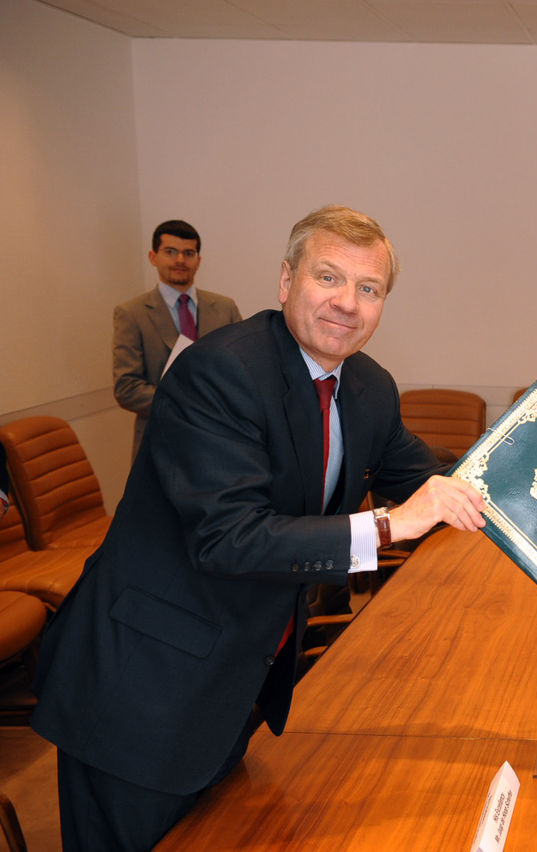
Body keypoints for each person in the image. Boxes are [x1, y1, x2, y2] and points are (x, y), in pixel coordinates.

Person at [32, 206, 487, 850]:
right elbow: (231, 538)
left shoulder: (367, 386)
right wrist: (389, 525)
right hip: (140, 689)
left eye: (369, 288)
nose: (347, 304)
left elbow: (436, 481)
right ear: (284, 281)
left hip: (232, 685)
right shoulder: (221, 371)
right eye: (328, 278)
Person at [113, 220, 243, 459]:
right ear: (153, 257)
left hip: (221, 443)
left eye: (188, 253)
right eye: (170, 252)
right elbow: (127, 389)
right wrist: (189, 403)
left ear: (198, 260)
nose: (180, 260)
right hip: (160, 442)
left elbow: (243, 373)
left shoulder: (225, 308)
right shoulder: (132, 313)